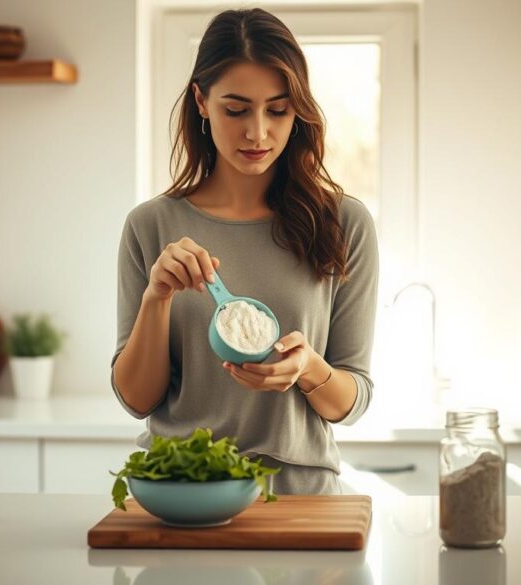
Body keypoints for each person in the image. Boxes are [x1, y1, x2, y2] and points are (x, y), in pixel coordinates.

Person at [111, 8, 378, 495]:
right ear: (201, 101)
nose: (257, 132)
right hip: (181, 491)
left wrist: (307, 368)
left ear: (297, 110)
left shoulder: (344, 224)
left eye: (277, 109)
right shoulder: (150, 227)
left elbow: (351, 401)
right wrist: (157, 297)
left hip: (300, 494)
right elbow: (135, 399)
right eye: (236, 110)